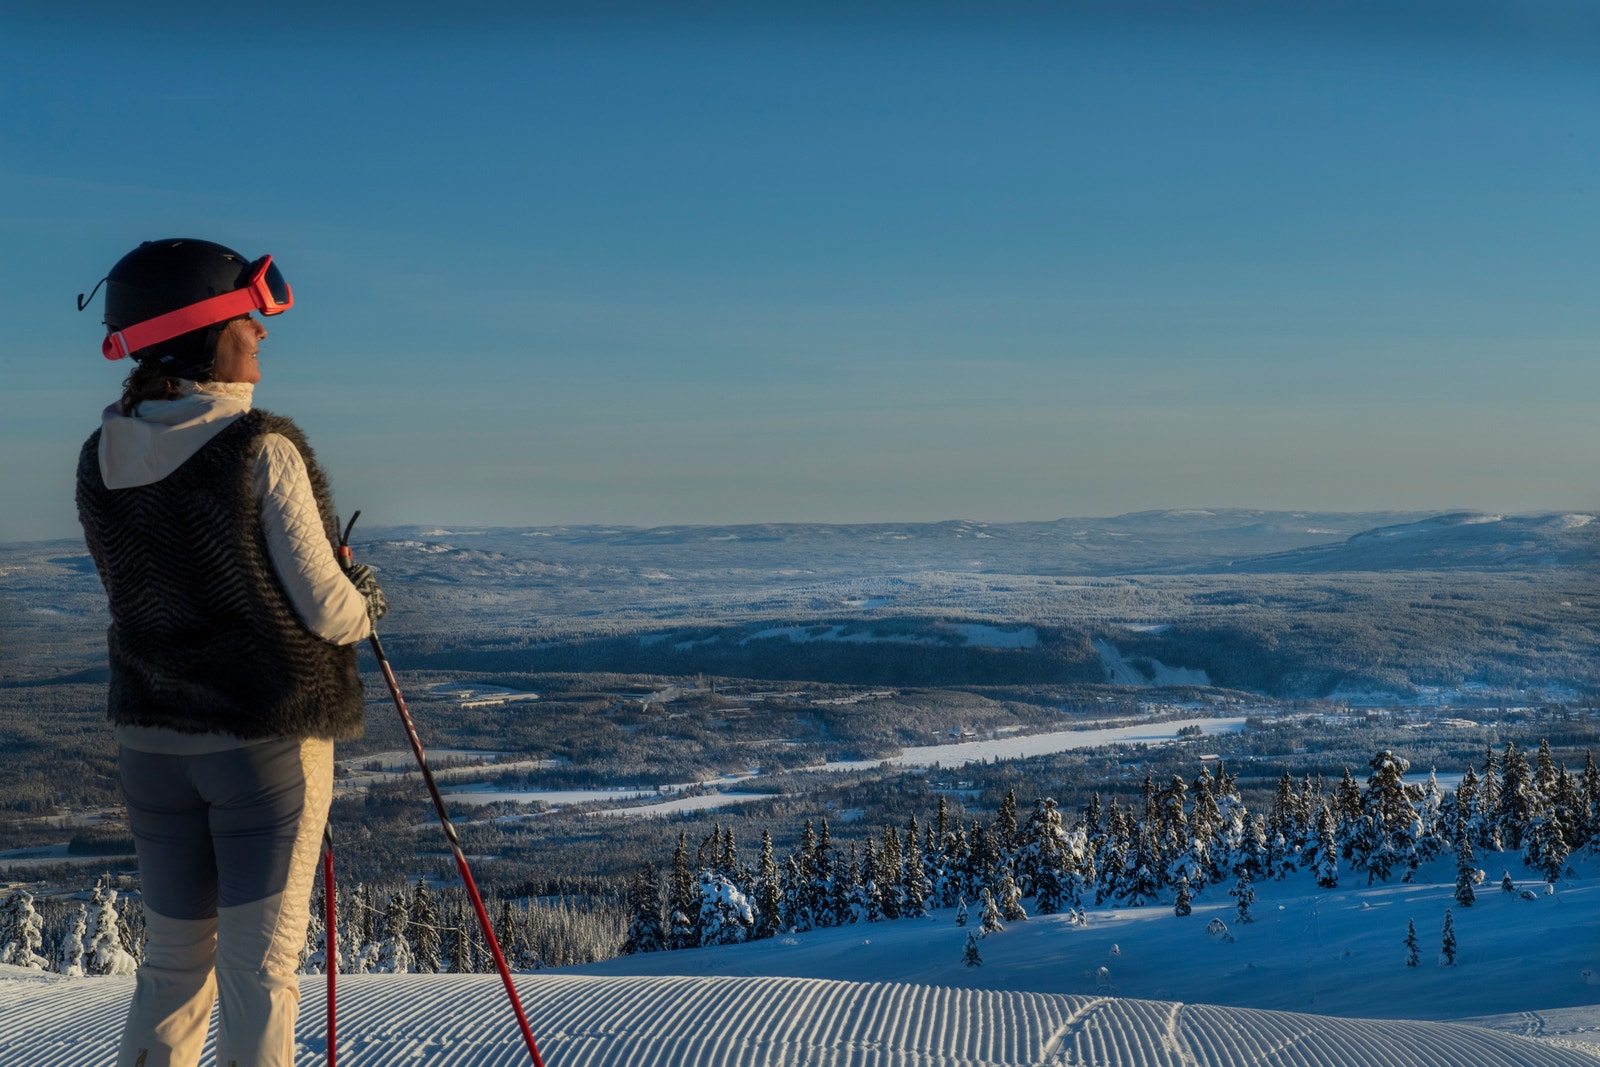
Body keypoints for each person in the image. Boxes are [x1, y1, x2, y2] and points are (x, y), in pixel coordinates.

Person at [75, 238, 387, 1067]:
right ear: (200, 333)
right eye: (246, 318)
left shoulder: (100, 457)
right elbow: (329, 609)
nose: (261, 333)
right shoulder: (259, 449)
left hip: (150, 746)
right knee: (259, 976)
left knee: (172, 969)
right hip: (261, 745)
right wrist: (369, 603)